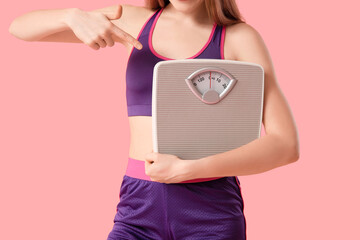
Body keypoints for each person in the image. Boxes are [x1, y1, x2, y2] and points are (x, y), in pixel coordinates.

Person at [9, 0, 300, 239]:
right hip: (137, 205)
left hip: (210, 210)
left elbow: (285, 144)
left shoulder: (239, 38)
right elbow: (19, 28)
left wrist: (191, 169)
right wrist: (72, 17)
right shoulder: (132, 21)